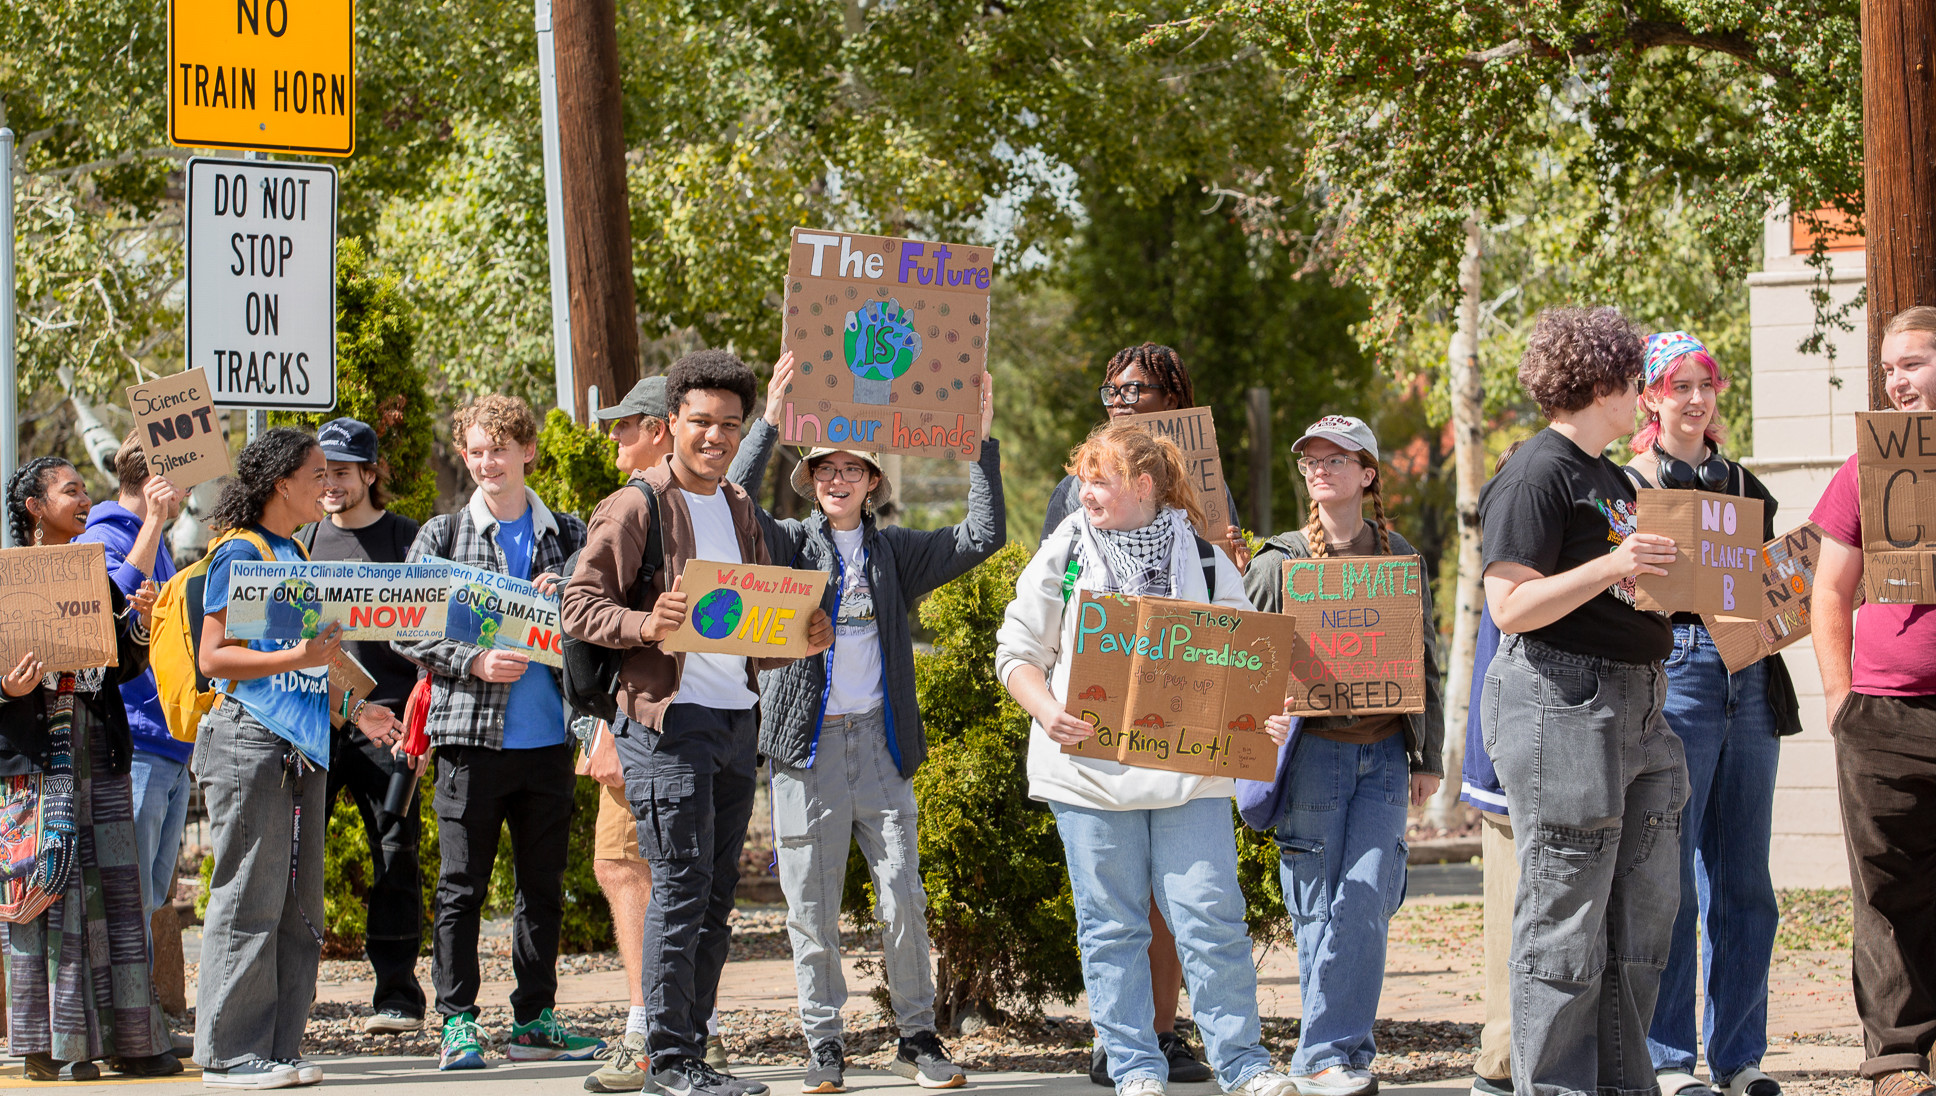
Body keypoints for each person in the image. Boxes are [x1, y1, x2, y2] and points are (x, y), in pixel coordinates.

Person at [996, 420, 1297, 1096]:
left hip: (1191, 776)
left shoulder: (1207, 559)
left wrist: (1263, 716)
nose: (1085, 491)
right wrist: (1047, 711)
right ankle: (1134, 1067)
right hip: (1088, 779)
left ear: (1141, 485)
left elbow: (1242, 661)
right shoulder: (1066, 549)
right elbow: (1016, 652)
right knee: (1111, 926)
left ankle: (1244, 1065)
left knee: (1211, 916)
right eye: (1084, 478)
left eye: (1098, 479)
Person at [561, 349, 833, 1096]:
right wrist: (648, 625)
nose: (714, 437)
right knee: (680, 888)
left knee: (715, 899)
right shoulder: (637, 504)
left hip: (733, 722)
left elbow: (744, 631)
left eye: (729, 425)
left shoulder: (740, 508)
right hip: (666, 725)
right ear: (670, 423)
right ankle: (669, 1061)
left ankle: (692, 1055)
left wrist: (797, 639)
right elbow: (578, 607)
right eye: (701, 423)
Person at [729, 354, 1003, 1092]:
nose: (837, 480)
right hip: (806, 752)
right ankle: (825, 1043)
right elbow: (730, 503)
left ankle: (917, 1037)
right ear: (811, 482)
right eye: (824, 470)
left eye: (852, 469)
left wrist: (979, 441)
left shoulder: (898, 553)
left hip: (881, 746)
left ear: (873, 481)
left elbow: (983, 536)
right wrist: (768, 422)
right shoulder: (788, 545)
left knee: (902, 898)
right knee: (810, 907)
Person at [1475, 307, 1685, 1096]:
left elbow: (1616, 584)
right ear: (1601, 383)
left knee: (1638, 924)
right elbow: (1510, 607)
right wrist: (1616, 565)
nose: (1648, 402)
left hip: (1638, 708)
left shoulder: (1618, 479)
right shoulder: (1537, 472)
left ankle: (1625, 1085)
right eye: (1639, 385)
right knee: (1564, 921)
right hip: (1563, 702)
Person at [1039, 343, 1233, 1085]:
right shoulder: (1080, 494)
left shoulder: (1203, 490)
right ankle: (1119, 1042)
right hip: (1107, 721)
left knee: (1181, 901)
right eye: (1111, 389)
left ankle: (1162, 1030)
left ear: (1173, 398)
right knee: (1113, 901)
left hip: (1179, 717)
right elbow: (1058, 601)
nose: (1119, 400)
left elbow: (1224, 605)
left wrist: (1233, 565)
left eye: (1136, 389)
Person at [393, 395, 601, 1070]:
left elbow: (603, 624)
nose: (488, 462)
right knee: (461, 887)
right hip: (468, 741)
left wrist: (564, 601)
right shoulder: (441, 537)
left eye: (500, 449)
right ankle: (457, 1020)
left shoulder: (569, 536)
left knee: (543, 887)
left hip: (549, 742)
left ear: (527, 451)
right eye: (476, 451)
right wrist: (474, 659)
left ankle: (535, 1018)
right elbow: (406, 626)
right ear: (465, 457)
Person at [1243, 415, 1444, 1096]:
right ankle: (1341, 1056)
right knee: (1319, 909)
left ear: (1367, 474)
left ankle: (1325, 1055)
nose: (1320, 467)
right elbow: (1247, 662)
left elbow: (1427, 662)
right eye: (1311, 459)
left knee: (1364, 900)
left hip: (1386, 755)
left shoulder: (1401, 557)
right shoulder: (1280, 562)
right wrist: (1255, 723)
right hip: (1312, 760)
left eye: (1338, 457)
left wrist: (1428, 756)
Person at [196, 427, 403, 1089]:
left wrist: (356, 710)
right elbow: (215, 658)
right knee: (248, 899)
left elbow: (315, 668)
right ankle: (229, 1053)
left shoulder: (293, 550)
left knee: (297, 909)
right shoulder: (241, 553)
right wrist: (303, 657)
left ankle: (277, 1048)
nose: (328, 486)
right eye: (317, 473)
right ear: (282, 482)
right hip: (251, 741)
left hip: (303, 745)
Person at [1622, 333, 1797, 1096]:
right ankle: (1668, 1060)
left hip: (1750, 673)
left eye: (1705, 384)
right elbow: (1617, 588)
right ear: (1651, 398)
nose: (1695, 399)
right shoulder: (1629, 482)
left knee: (1745, 880)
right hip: (1678, 668)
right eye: (1678, 386)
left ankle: (1740, 1058)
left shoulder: (1745, 483)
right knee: (1675, 879)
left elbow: (1769, 580)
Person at [2, 457, 179, 1082]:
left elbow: (119, 665)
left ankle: (131, 1037)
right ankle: (52, 1046)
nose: (82, 501)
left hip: (98, 752)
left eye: (84, 490)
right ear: (33, 507)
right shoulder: (5, 580)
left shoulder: (89, 575)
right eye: (69, 491)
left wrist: (138, 628)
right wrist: (7, 686)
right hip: (34, 762)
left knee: (114, 890)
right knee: (45, 893)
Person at [1811, 306, 1936, 1096]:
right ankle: (1896, 1056)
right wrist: (1840, 704)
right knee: (1887, 890)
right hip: (1884, 714)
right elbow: (1828, 590)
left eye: (1913, 364)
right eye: (1889, 368)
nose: (1897, 380)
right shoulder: (1870, 467)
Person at [296, 416, 428, 1036]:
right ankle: (288, 997)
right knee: (297, 861)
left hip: (393, 730)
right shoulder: (297, 545)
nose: (330, 484)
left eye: (343, 472)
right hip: (318, 727)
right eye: (322, 472)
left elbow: (439, 633)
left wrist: (419, 722)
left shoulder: (411, 540)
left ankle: (397, 996)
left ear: (371, 475)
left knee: (396, 857)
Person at [579, 375, 683, 1094]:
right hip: (663, 718)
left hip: (645, 719)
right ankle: (672, 1031)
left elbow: (587, 615)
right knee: (656, 872)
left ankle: (651, 1031)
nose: (614, 435)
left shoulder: (635, 505)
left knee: (628, 869)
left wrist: (611, 724)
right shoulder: (707, 504)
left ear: (659, 429)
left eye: (626, 424)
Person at [72, 437, 193, 938]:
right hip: (136, 747)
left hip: (171, 747)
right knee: (127, 903)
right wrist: (154, 521)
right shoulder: (97, 540)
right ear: (156, 482)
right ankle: (130, 1018)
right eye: (183, 477)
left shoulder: (157, 540)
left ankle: (142, 1016)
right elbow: (101, 613)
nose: (188, 491)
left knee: (147, 901)